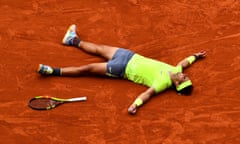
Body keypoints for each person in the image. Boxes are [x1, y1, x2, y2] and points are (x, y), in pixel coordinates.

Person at [38, 24, 206, 115]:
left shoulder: (163, 83)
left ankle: (52, 71)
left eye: (183, 79)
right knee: (99, 48)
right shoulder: (176, 69)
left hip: (121, 68)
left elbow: (147, 94)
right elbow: (184, 63)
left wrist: (135, 105)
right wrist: (195, 56)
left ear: (177, 85)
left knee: (87, 68)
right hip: (129, 56)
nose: (183, 75)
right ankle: (72, 40)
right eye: (185, 76)